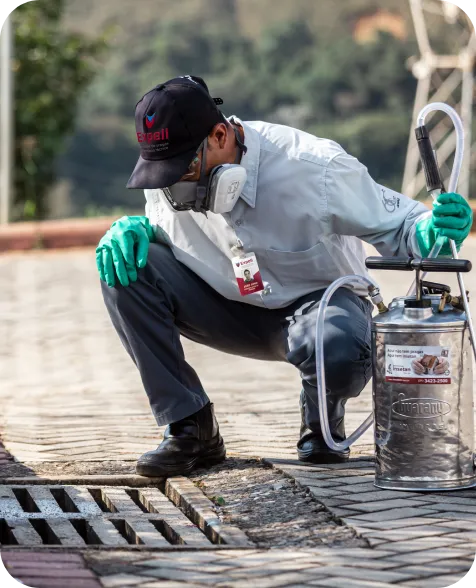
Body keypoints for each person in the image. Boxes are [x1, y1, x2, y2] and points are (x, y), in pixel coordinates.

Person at [96, 75, 473, 477]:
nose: (175, 188)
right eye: (163, 175)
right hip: (225, 308)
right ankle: (190, 426)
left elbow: (402, 227)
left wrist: (433, 231)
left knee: (339, 347)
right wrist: (136, 228)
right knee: (124, 268)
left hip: (318, 316)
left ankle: (321, 419)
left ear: (221, 135)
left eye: (184, 169)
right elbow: (165, 231)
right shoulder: (171, 177)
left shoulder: (316, 168)